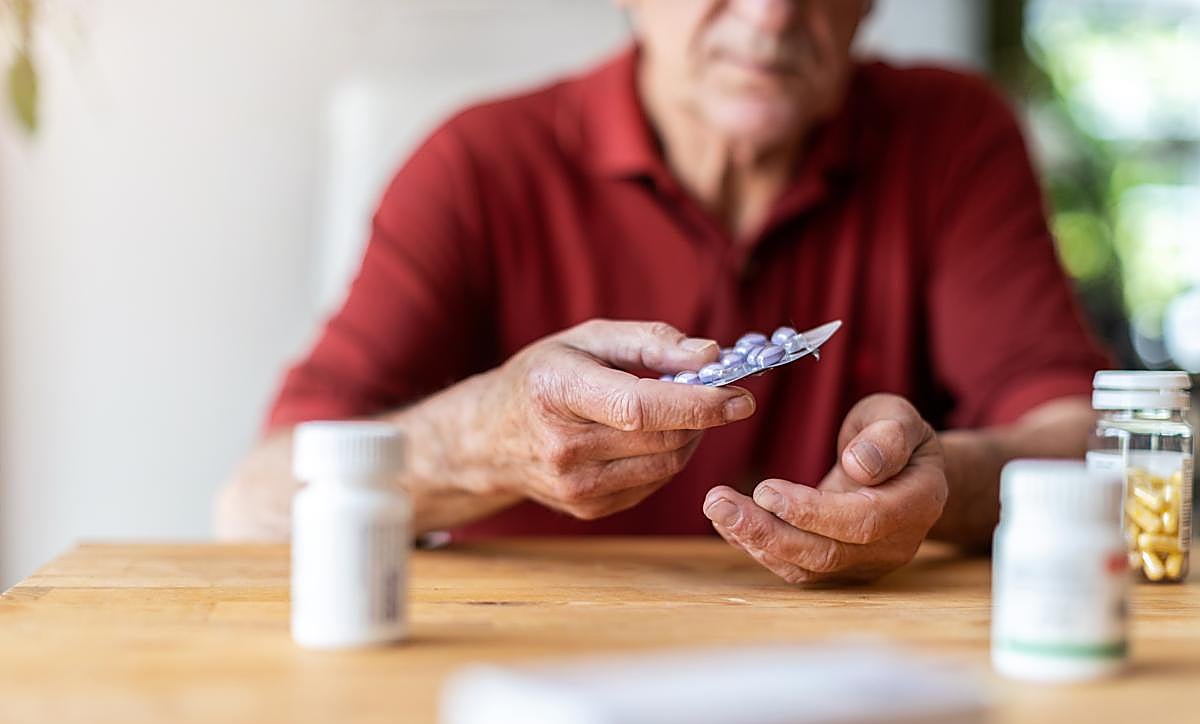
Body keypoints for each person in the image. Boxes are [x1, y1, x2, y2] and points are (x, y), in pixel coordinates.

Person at [216, 0, 1110, 584]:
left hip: (845, 673)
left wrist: (946, 483)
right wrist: (487, 440)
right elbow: (257, 501)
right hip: (532, 670)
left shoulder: (951, 138)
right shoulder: (477, 166)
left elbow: (1095, 441)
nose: (770, 15)